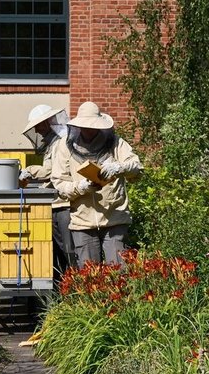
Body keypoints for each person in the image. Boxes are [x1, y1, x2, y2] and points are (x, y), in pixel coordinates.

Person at [51, 101, 142, 266]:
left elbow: (137, 167)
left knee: (119, 273)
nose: (89, 130)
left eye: (93, 126)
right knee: (90, 278)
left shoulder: (115, 143)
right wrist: (81, 187)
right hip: (82, 222)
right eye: (85, 126)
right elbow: (59, 184)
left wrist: (119, 167)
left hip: (114, 219)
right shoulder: (64, 147)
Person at [19, 104, 75, 277]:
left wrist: (30, 171)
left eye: (38, 125)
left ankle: (76, 285)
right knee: (59, 251)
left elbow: (52, 171)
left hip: (65, 203)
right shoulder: (53, 143)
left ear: (48, 122)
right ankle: (66, 286)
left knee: (69, 250)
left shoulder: (62, 142)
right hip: (56, 203)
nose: (36, 129)